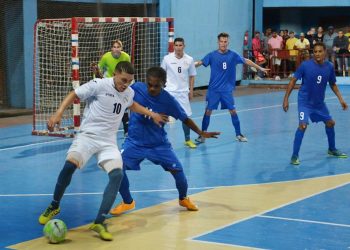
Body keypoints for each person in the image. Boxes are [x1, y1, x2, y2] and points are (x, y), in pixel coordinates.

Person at [38, 62, 166, 241]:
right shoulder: (99, 85)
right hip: (87, 136)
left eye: (129, 82)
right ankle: (54, 204)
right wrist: (58, 113)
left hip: (108, 142)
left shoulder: (128, 92)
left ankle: (99, 221)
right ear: (115, 74)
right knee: (69, 167)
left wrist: (151, 114)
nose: (125, 85)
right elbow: (74, 94)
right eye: (123, 80)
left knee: (117, 176)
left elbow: (133, 105)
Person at [109, 67, 220, 216]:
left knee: (178, 170)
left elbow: (184, 118)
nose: (152, 88)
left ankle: (183, 198)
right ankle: (128, 202)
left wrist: (201, 132)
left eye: (157, 85)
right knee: (117, 168)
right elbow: (118, 92)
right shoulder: (136, 89)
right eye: (150, 84)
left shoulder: (168, 101)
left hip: (159, 144)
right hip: (134, 142)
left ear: (164, 83)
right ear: (145, 81)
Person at [194, 32, 269, 143]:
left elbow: (246, 61)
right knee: (208, 111)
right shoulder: (211, 55)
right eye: (221, 41)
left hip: (227, 90)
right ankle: (203, 135)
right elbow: (200, 63)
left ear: (228, 42)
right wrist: (188, 65)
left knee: (233, 111)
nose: (223, 44)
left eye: (225, 42)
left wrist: (260, 68)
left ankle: (238, 134)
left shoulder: (233, 55)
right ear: (218, 42)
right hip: (213, 90)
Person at [283, 42, 348, 165]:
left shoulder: (329, 66)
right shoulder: (305, 65)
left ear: (325, 52)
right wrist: (286, 98)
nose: (317, 54)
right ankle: (294, 156)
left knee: (330, 123)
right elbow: (293, 81)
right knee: (302, 125)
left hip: (319, 104)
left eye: (320, 51)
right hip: (305, 102)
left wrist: (341, 99)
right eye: (315, 51)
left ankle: (332, 149)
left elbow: (333, 84)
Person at [161, 37, 197, 148]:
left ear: (184, 46)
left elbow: (192, 76)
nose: (178, 48)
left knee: (185, 117)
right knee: (163, 116)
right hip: (169, 92)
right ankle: (159, 140)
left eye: (180, 45)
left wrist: (191, 90)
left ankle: (187, 140)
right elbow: (162, 73)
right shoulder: (167, 58)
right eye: (176, 45)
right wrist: (161, 89)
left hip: (183, 93)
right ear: (174, 46)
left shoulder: (189, 59)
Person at [92, 39, 131, 137]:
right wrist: (96, 81)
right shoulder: (106, 57)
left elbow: (129, 71)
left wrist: (126, 83)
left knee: (123, 105)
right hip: (109, 82)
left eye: (118, 47)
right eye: (114, 47)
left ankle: (127, 130)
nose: (116, 49)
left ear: (121, 48)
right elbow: (98, 69)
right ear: (111, 48)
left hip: (121, 82)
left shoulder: (126, 57)